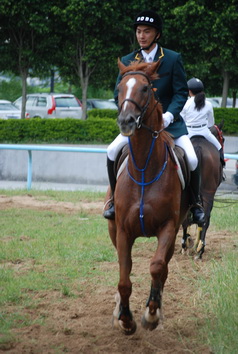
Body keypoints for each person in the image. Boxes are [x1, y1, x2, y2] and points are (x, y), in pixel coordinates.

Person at [103, 9, 205, 225]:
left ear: (157, 34)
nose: (141, 36)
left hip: (171, 125)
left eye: (147, 31)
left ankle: (196, 205)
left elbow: (179, 92)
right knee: (112, 150)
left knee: (193, 158)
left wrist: (169, 115)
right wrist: (128, 114)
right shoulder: (129, 60)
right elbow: (117, 94)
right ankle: (112, 201)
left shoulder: (172, 58)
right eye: (139, 31)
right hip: (138, 127)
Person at [181, 77, 225, 166]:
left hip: (189, 132)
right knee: (219, 148)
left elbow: (182, 120)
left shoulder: (185, 103)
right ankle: (222, 169)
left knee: (175, 150)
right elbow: (211, 123)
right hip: (204, 132)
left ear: (189, 91)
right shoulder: (208, 104)